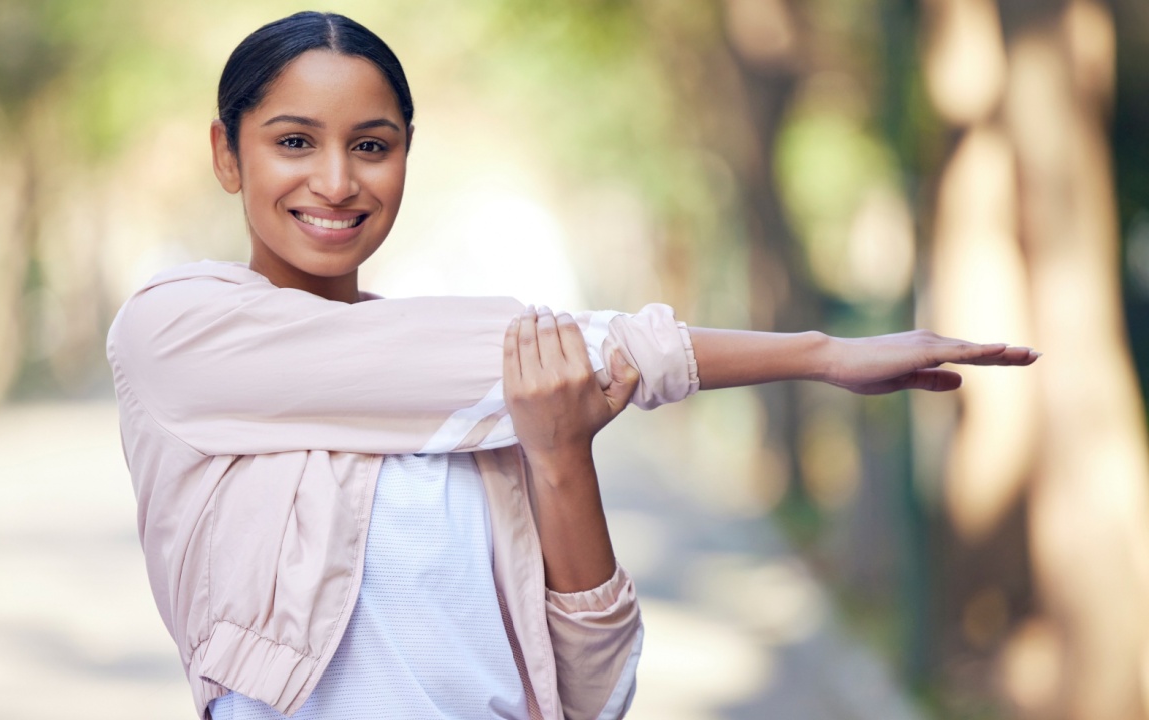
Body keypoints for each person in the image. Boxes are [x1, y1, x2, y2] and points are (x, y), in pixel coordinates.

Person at [106, 11, 1037, 720]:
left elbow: (594, 690)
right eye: (294, 141)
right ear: (229, 154)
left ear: (405, 160)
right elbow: (515, 349)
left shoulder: (496, 410)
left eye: (373, 146)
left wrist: (559, 454)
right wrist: (822, 355)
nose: (339, 181)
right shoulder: (176, 335)